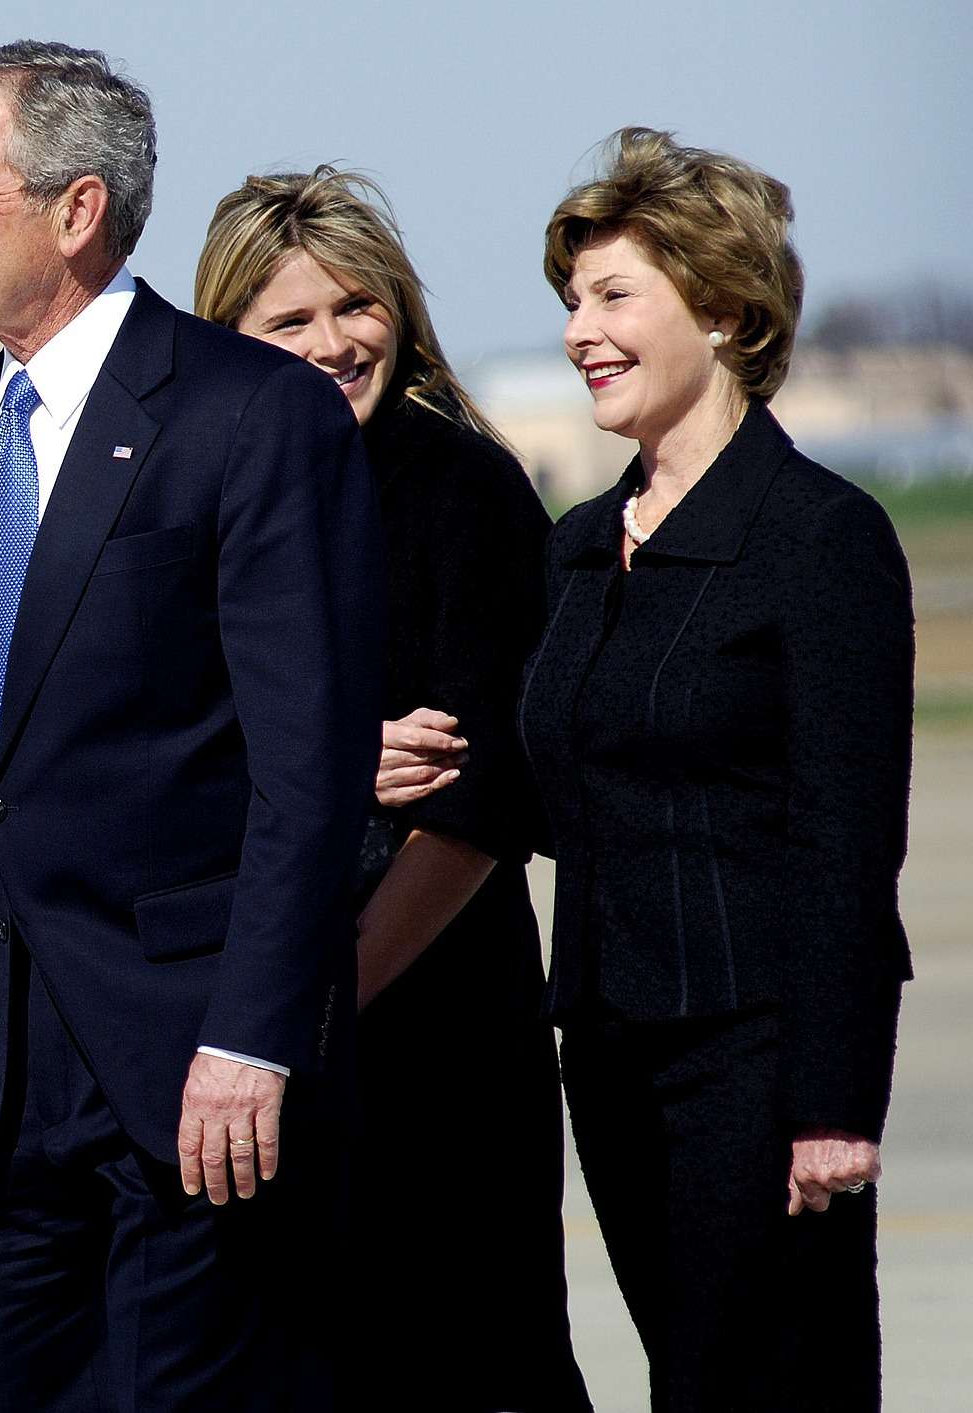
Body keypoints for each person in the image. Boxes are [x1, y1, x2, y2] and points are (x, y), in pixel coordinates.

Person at [0, 43, 384, 1409]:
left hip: (192, 1074)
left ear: (76, 209)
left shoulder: (253, 413)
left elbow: (312, 768)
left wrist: (253, 1036)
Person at [519, 128, 913, 1411]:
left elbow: (849, 842)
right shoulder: (581, 547)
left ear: (729, 312)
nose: (582, 328)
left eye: (615, 295)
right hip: (614, 1058)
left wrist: (835, 1106)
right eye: (573, 300)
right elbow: (558, 786)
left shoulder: (820, 538)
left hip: (758, 1061)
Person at [195, 165, 591, 1412]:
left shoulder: (462, 487)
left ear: (403, 313)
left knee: (478, 1357)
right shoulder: (192, 505)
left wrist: (322, 1010)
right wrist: (321, 766)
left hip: (432, 1020)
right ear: (228, 341)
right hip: (246, 1025)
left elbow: (480, 800)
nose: (332, 343)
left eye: (355, 307)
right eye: (288, 322)